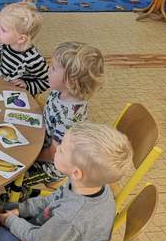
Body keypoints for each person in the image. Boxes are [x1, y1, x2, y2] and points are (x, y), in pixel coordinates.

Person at [0, 122, 133, 241]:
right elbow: (52, 199)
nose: (56, 149)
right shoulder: (85, 184)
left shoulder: (72, 217)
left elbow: (39, 240)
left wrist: (11, 221)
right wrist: (20, 210)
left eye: (61, 150)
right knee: (12, 206)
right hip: (57, 236)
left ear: (76, 173)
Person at [23, 42, 105, 196]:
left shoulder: (69, 117)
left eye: (53, 68)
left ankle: (28, 199)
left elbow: (54, 154)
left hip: (52, 166)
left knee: (15, 180)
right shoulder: (60, 91)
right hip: (42, 141)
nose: (48, 70)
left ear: (70, 81)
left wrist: (29, 157)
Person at [0, 0, 48, 95]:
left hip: (18, 96)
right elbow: (6, 68)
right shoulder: (7, 45)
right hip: (1, 87)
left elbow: (46, 82)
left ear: (21, 39)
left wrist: (27, 85)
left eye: (3, 29)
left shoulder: (34, 61)